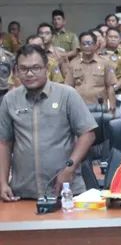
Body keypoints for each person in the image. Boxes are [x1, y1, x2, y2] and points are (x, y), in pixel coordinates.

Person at [0, 45, 96, 201]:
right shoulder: (10, 100)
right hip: (23, 192)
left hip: (65, 191)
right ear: (16, 71)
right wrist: (3, 183)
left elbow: (88, 134)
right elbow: (4, 143)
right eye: (24, 69)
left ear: (46, 68)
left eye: (36, 68)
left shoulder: (67, 94)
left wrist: (69, 168)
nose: (29, 73)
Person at [65, 31, 116, 112]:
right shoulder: (73, 64)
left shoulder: (105, 63)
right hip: (78, 107)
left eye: (89, 43)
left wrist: (112, 106)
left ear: (95, 45)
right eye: (84, 44)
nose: (87, 46)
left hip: (100, 107)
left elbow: (110, 86)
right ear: (80, 46)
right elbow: (68, 87)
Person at [104, 28, 121, 95]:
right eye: (110, 37)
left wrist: (115, 86)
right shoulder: (100, 54)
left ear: (120, 39)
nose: (113, 39)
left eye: (116, 37)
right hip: (104, 87)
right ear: (106, 38)